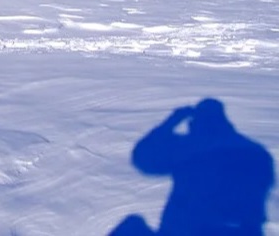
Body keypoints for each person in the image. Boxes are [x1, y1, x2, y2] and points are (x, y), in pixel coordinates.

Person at [110, 98, 275, 236]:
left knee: (131, 227)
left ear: (196, 125)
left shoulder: (192, 147)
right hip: (245, 230)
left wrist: (170, 123)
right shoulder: (257, 152)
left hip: (188, 229)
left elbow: (143, 159)